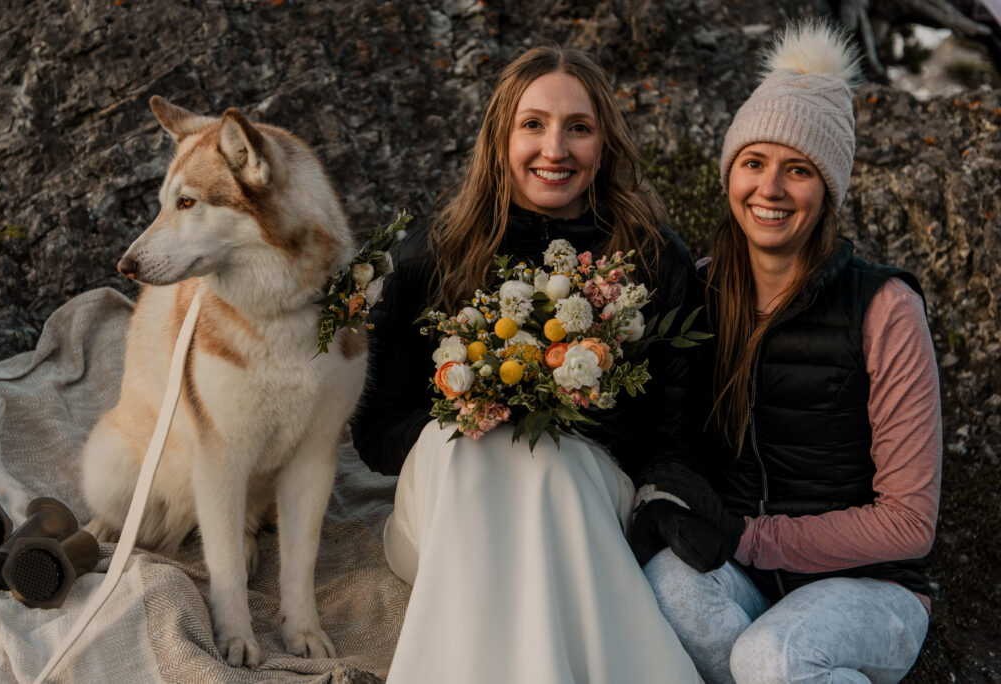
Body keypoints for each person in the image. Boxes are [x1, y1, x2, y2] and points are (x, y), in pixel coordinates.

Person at [350, 45, 703, 683]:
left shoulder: (653, 261)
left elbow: (675, 438)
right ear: (500, 137)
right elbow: (375, 429)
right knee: (479, 447)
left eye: (579, 127)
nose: (555, 149)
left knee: (554, 461)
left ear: (605, 142)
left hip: (582, 513)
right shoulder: (433, 255)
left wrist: (563, 419)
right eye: (533, 124)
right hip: (444, 507)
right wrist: (480, 410)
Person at [633, 21, 943, 684]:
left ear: (826, 190)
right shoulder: (703, 291)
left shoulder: (885, 308)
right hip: (750, 580)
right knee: (661, 585)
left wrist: (747, 536)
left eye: (797, 170)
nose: (769, 189)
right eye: (753, 163)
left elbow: (909, 523)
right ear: (729, 174)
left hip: (873, 590)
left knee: (771, 657)